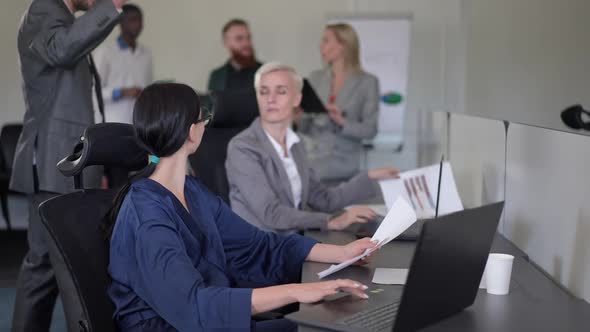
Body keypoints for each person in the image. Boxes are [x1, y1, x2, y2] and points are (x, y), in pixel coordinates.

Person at [106, 83, 377, 331]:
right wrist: (296, 291)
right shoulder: (147, 215)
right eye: (204, 119)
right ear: (192, 131)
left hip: (212, 317)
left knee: (326, 325)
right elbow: (193, 307)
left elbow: (258, 246)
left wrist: (341, 253)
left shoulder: (193, 192)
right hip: (182, 324)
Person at [10, 0, 126, 331]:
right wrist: (110, 8)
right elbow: (62, 50)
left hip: (65, 163)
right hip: (56, 163)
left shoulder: (62, 18)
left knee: (45, 264)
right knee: (71, 263)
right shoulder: (44, 9)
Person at [225, 62, 398, 233]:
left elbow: (324, 199)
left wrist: (369, 177)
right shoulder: (242, 147)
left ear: (297, 99)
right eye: (264, 92)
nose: (271, 99)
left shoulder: (296, 145)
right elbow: (270, 212)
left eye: (281, 91)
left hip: (290, 243)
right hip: (258, 248)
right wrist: (330, 221)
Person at [297, 23, 380, 181]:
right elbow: (307, 128)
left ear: (343, 45)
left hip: (346, 168)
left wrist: (342, 122)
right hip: (312, 165)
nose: (320, 45)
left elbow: (371, 131)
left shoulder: (368, 82)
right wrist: (297, 118)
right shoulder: (316, 78)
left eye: (326, 40)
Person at [94, 3, 153, 124]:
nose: (137, 25)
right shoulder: (106, 52)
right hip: (111, 121)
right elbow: (95, 91)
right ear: (120, 23)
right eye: (132, 20)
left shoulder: (146, 53)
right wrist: (120, 93)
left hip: (137, 122)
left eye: (140, 20)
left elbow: (147, 85)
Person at [207, 18, 262, 92]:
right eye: (239, 38)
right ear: (226, 43)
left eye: (248, 37)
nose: (246, 43)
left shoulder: (264, 72)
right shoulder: (217, 76)